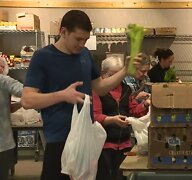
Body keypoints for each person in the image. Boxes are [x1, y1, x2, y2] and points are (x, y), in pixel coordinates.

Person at [21, 10, 141, 180]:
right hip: (59, 141)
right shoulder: (43, 57)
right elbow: (27, 99)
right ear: (63, 32)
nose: (82, 44)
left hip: (88, 138)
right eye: (78, 39)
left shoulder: (84, 55)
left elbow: (99, 87)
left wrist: (124, 71)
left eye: (85, 39)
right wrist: (62, 95)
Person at [93, 56, 150, 180]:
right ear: (103, 73)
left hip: (124, 144)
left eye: (119, 75)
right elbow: (95, 117)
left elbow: (133, 111)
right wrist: (112, 119)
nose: (116, 80)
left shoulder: (126, 89)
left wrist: (145, 104)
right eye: (112, 75)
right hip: (103, 146)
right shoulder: (96, 90)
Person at [0, 57, 23, 180]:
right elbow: (26, 91)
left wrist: (22, 103)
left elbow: (8, 109)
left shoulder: (4, 83)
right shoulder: (4, 81)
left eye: (2, 66)